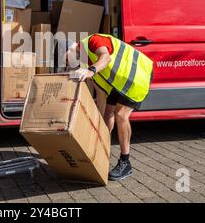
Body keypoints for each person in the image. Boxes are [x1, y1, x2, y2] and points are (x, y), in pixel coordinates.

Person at [59, 33, 153, 181]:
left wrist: (91, 71)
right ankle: (101, 150)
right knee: (108, 113)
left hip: (135, 78)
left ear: (71, 48)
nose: (69, 64)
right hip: (118, 84)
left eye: (66, 59)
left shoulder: (93, 40)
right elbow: (101, 96)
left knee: (121, 115)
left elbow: (105, 57)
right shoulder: (84, 64)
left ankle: (125, 161)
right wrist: (97, 130)